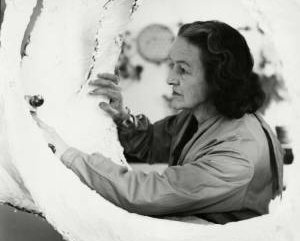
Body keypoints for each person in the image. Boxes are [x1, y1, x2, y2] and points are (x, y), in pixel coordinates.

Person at [35, 20, 283, 224]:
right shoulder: (197, 116)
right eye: (171, 65)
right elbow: (152, 142)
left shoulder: (236, 155)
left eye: (183, 70)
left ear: (219, 78)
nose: (170, 79)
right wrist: (122, 117)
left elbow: (143, 194)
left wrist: (64, 152)